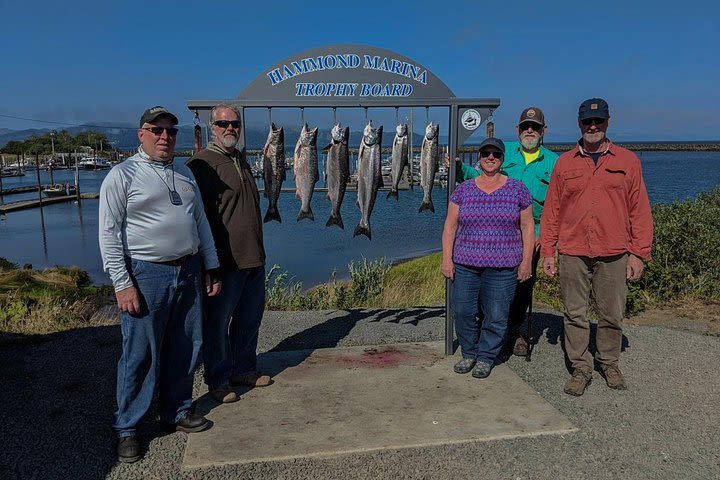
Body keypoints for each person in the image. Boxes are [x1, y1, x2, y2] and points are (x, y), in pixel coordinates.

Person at [99, 106, 222, 463]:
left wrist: (210, 266)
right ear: (141, 134)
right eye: (157, 130)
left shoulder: (184, 172)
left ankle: (176, 409)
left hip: (188, 269)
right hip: (146, 273)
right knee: (139, 353)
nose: (165, 137)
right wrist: (122, 283)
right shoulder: (121, 176)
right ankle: (128, 427)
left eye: (171, 131)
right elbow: (108, 235)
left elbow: (200, 222)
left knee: (187, 345)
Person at [540, 98, 653, 396]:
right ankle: (581, 367)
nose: (593, 126)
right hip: (573, 249)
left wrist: (639, 252)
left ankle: (609, 362)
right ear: (579, 124)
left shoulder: (628, 161)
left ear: (608, 123)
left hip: (614, 250)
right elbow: (552, 210)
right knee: (574, 313)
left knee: (612, 313)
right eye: (588, 122)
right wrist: (548, 251)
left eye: (598, 121)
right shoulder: (564, 163)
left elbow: (639, 209)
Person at [449, 107, 559, 356]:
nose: (529, 130)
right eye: (525, 126)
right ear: (517, 130)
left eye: (535, 127)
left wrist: (548, 238)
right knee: (485, 286)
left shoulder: (554, 162)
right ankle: (486, 329)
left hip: (534, 233)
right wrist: (457, 167)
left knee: (522, 286)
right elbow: (478, 176)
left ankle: (515, 330)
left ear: (544, 131)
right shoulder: (503, 151)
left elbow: (559, 205)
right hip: (500, 234)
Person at [187, 103, 270, 405]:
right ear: (212, 127)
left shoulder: (242, 161)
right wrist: (209, 265)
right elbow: (198, 218)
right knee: (217, 324)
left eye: (235, 124)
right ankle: (218, 379)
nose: (230, 129)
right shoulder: (202, 164)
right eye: (223, 124)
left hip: (254, 257)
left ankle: (244, 369)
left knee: (249, 320)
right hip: (224, 262)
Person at [442, 137, 535, 378]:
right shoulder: (463, 190)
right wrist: (446, 259)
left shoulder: (517, 189)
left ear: (502, 159)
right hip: (465, 264)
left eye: (496, 153)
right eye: (486, 153)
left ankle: (485, 356)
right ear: (480, 158)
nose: (490, 157)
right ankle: (469, 352)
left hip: (503, 267)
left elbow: (527, 227)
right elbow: (450, 226)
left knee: (496, 315)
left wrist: (526, 261)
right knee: (462, 310)